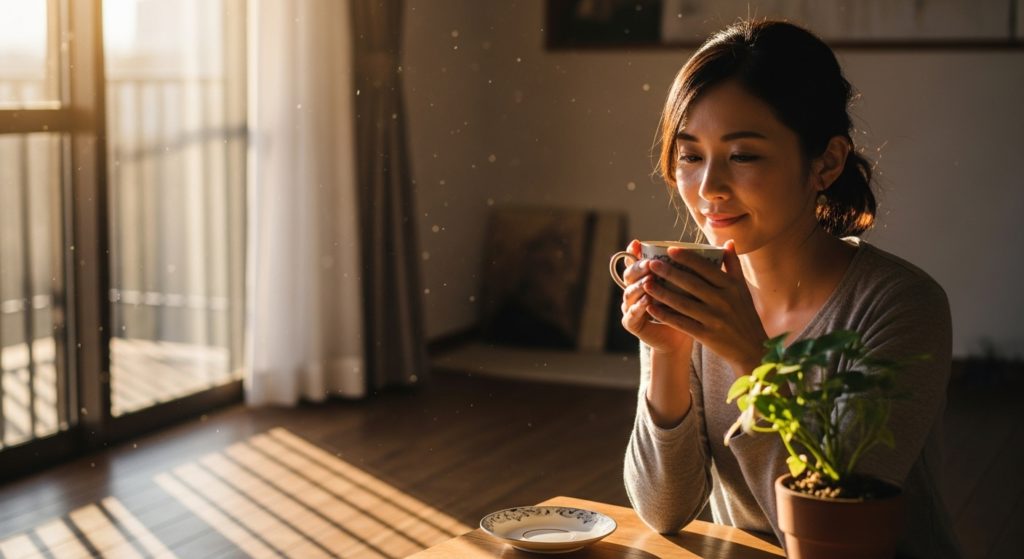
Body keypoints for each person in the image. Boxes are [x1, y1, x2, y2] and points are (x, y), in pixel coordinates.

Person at [618, 19, 961, 558]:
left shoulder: (902, 306)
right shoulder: (698, 295)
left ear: (827, 162)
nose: (708, 188)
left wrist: (750, 356)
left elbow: (835, 537)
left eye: (743, 155)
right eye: (690, 156)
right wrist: (668, 353)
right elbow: (663, 510)